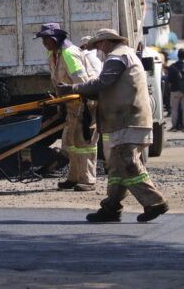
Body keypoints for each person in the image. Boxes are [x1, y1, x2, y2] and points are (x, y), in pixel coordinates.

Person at [57, 29, 168, 223]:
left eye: (99, 45)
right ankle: (111, 207)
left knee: (127, 162)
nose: (99, 49)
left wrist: (73, 88)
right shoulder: (125, 55)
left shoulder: (117, 57)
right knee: (116, 167)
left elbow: (103, 83)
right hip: (128, 118)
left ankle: (155, 201)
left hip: (128, 119)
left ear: (107, 42)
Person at [36, 23, 97, 191]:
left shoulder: (70, 53)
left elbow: (82, 81)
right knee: (70, 141)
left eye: (46, 39)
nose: (44, 43)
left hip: (84, 102)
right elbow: (57, 82)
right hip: (71, 103)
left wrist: (79, 101)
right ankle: (74, 177)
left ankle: (87, 180)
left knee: (84, 142)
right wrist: (60, 103)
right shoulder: (53, 54)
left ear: (55, 39)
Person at [167, 48, 184, 132]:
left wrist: (171, 89)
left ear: (177, 56)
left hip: (175, 90)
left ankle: (174, 126)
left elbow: (169, 81)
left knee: (174, 109)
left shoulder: (172, 66)